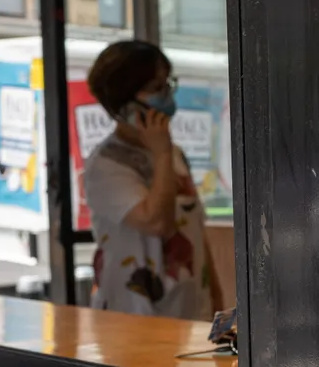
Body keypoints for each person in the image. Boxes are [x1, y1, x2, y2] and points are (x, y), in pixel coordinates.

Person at [83, 40, 223, 320]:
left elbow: (194, 232)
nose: (166, 97)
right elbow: (158, 222)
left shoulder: (173, 154)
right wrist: (161, 154)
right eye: (154, 88)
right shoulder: (106, 166)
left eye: (166, 85)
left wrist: (217, 299)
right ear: (125, 105)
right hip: (133, 319)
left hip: (191, 311)